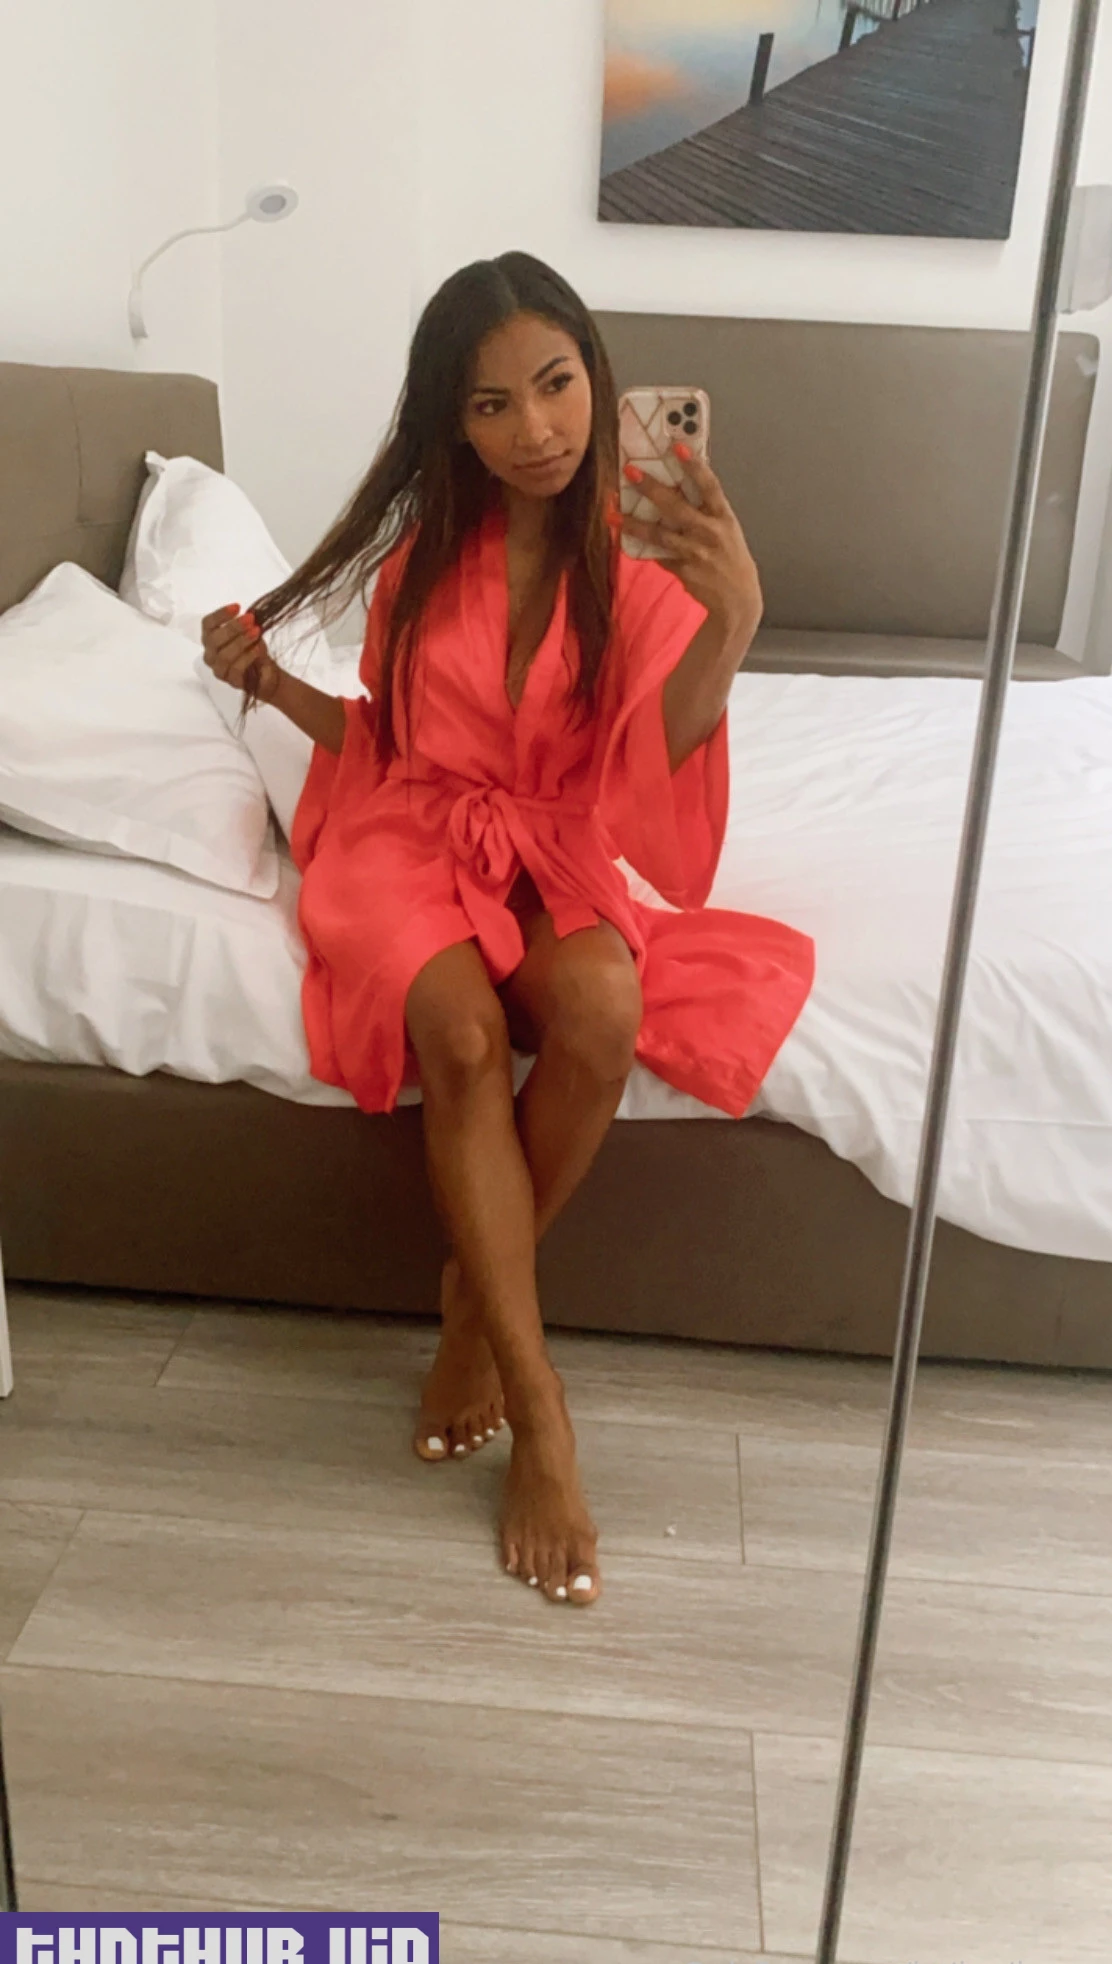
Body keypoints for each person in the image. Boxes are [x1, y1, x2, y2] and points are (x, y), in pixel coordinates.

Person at [201, 250, 815, 1610]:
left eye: (555, 383)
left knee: (603, 1009)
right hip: (402, 837)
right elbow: (392, 740)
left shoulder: (640, 562)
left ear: (597, 375)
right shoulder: (422, 561)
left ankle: (474, 1303)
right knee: (466, 1038)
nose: (535, 429)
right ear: (455, 424)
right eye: (491, 405)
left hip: (545, 841)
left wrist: (737, 620)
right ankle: (539, 1408)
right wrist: (272, 687)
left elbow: (652, 765)